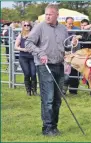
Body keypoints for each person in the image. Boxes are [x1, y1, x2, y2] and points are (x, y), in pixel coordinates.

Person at [25, 4, 69, 136]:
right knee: (48, 98)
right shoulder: (39, 27)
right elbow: (28, 43)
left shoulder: (63, 29)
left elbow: (65, 45)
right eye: (46, 14)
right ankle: (47, 128)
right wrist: (40, 53)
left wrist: (71, 46)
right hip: (45, 66)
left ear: (57, 15)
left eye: (50, 14)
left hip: (60, 65)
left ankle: (54, 126)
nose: (48, 16)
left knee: (57, 99)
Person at [15, 21, 37, 96]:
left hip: (32, 57)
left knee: (33, 74)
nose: (27, 26)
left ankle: (34, 90)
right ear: (23, 26)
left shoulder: (34, 35)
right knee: (27, 73)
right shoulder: (20, 35)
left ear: (30, 26)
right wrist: (23, 49)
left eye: (28, 25)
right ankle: (28, 91)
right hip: (23, 57)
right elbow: (16, 47)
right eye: (25, 25)